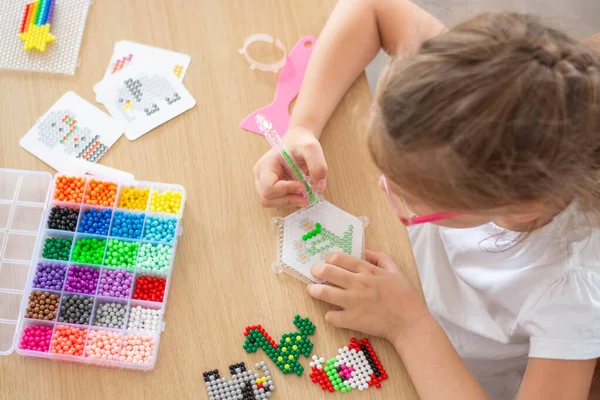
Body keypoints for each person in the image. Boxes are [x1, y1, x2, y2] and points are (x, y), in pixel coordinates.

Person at [252, 1, 600, 399]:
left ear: (518, 206)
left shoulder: (572, 290)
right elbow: (371, 9)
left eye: (413, 200)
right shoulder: (471, 94)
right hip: (397, 292)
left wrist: (408, 324)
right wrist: (303, 126)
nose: (386, 190)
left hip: (441, 368)